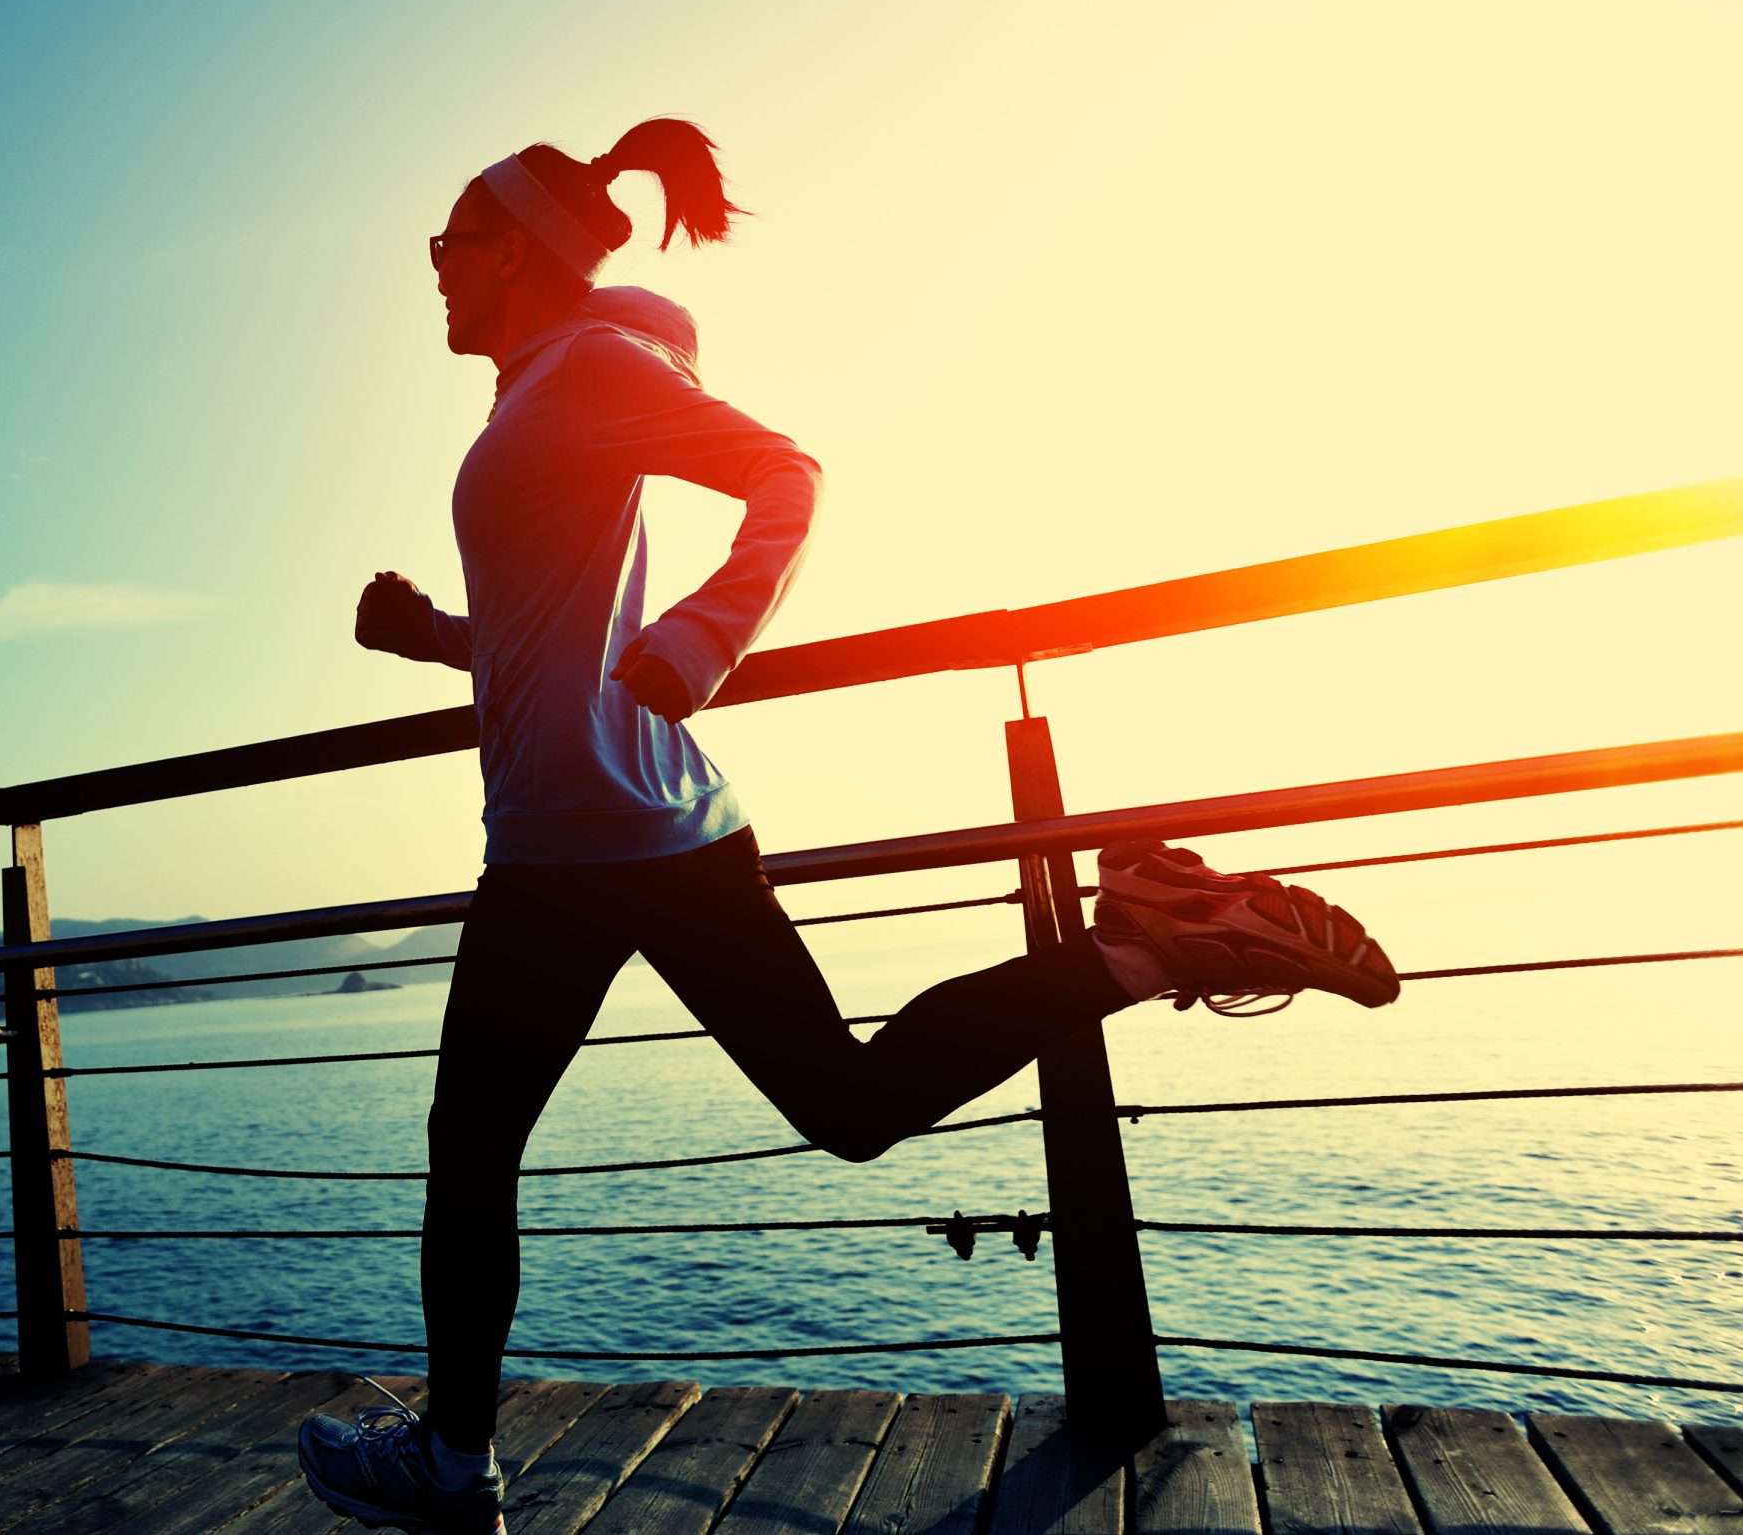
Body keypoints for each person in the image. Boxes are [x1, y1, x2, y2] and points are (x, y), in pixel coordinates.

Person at [295, 120, 1398, 1535]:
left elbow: (787, 474)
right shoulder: (538, 394)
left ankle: (450, 1469)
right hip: (635, 827)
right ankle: (1147, 950)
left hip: (581, 842)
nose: (437, 273)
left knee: (477, 1150)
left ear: (515, 251)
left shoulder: (583, 371)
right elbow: (555, 639)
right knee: (846, 1110)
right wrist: (436, 638)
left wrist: (703, 639)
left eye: (452, 245)